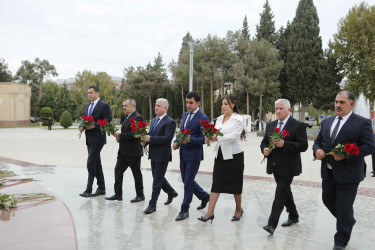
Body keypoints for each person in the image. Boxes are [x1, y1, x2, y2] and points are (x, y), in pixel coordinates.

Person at [313, 91, 375, 249]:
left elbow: (369, 146)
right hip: (328, 172)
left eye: (342, 102)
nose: (338, 105)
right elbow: (318, 142)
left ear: (351, 104)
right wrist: (317, 151)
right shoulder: (327, 122)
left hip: (349, 174)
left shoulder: (362, 122)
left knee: (344, 206)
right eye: (336, 102)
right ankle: (347, 220)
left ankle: (340, 241)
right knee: (327, 200)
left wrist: (346, 155)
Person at [260, 98, 308, 235]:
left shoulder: (297, 125)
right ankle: (293, 215)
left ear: (288, 110)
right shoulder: (270, 125)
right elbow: (264, 143)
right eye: (276, 109)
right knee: (286, 191)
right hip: (274, 165)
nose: (278, 111)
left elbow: (303, 145)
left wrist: (285, 144)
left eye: (281, 108)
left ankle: (271, 224)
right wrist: (264, 150)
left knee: (280, 193)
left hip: (289, 166)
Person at [198, 95, 246, 223]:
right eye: (222, 104)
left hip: (234, 156)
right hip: (220, 156)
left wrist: (216, 138)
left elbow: (234, 136)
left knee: (236, 186)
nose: (223, 106)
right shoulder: (218, 119)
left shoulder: (239, 119)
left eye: (226, 104)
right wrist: (209, 138)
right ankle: (209, 213)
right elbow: (214, 134)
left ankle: (238, 210)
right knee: (216, 184)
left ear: (233, 105)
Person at [172, 91, 210, 221]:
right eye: (187, 102)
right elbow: (181, 132)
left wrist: (189, 140)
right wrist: (176, 142)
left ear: (198, 103)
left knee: (187, 182)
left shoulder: (203, 118)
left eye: (191, 103)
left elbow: (204, 139)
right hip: (183, 154)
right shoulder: (185, 115)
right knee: (185, 180)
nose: (188, 105)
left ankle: (184, 209)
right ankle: (204, 196)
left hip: (194, 155)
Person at [141, 98, 178, 215]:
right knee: (158, 178)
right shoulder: (153, 121)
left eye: (158, 106)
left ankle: (152, 205)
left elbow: (167, 139)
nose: (155, 107)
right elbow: (150, 135)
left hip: (162, 155)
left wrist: (150, 139)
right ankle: (171, 192)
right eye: (155, 105)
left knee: (157, 180)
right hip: (153, 154)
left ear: (165, 108)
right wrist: (145, 141)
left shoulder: (170, 122)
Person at [105, 98, 145, 202]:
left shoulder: (138, 117)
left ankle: (140, 195)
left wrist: (120, 136)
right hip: (123, 152)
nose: (124, 107)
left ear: (133, 106)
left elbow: (134, 134)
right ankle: (118, 194)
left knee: (136, 173)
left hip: (133, 152)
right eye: (123, 105)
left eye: (126, 106)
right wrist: (120, 138)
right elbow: (126, 133)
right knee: (118, 171)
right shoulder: (126, 117)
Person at [79, 86, 112, 198]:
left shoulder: (104, 105)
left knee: (90, 162)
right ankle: (101, 188)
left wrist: (94, 126)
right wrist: (82, 126)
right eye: (88, 93)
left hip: (98, 138)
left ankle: (88, 189)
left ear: (97, 93)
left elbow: (108, 120)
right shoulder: (86, 105)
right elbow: (85, 119)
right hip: (89, 138)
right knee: (97, 164)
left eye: (91, 92)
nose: (89, 95)